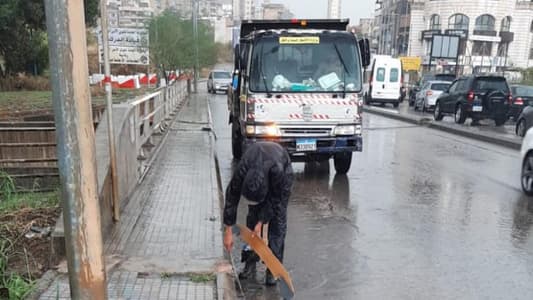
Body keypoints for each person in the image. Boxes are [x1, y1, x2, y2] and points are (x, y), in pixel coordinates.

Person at [223, 141, 294, 285]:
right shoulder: (242, 170)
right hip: (258, 163)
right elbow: (232, 195)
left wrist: (262, 221)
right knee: (252, 223)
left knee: (277, 225)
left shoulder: (278, 171)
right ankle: (250, 261)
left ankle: (272, 270)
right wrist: (228, 230)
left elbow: (275, 199)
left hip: (281, 176)